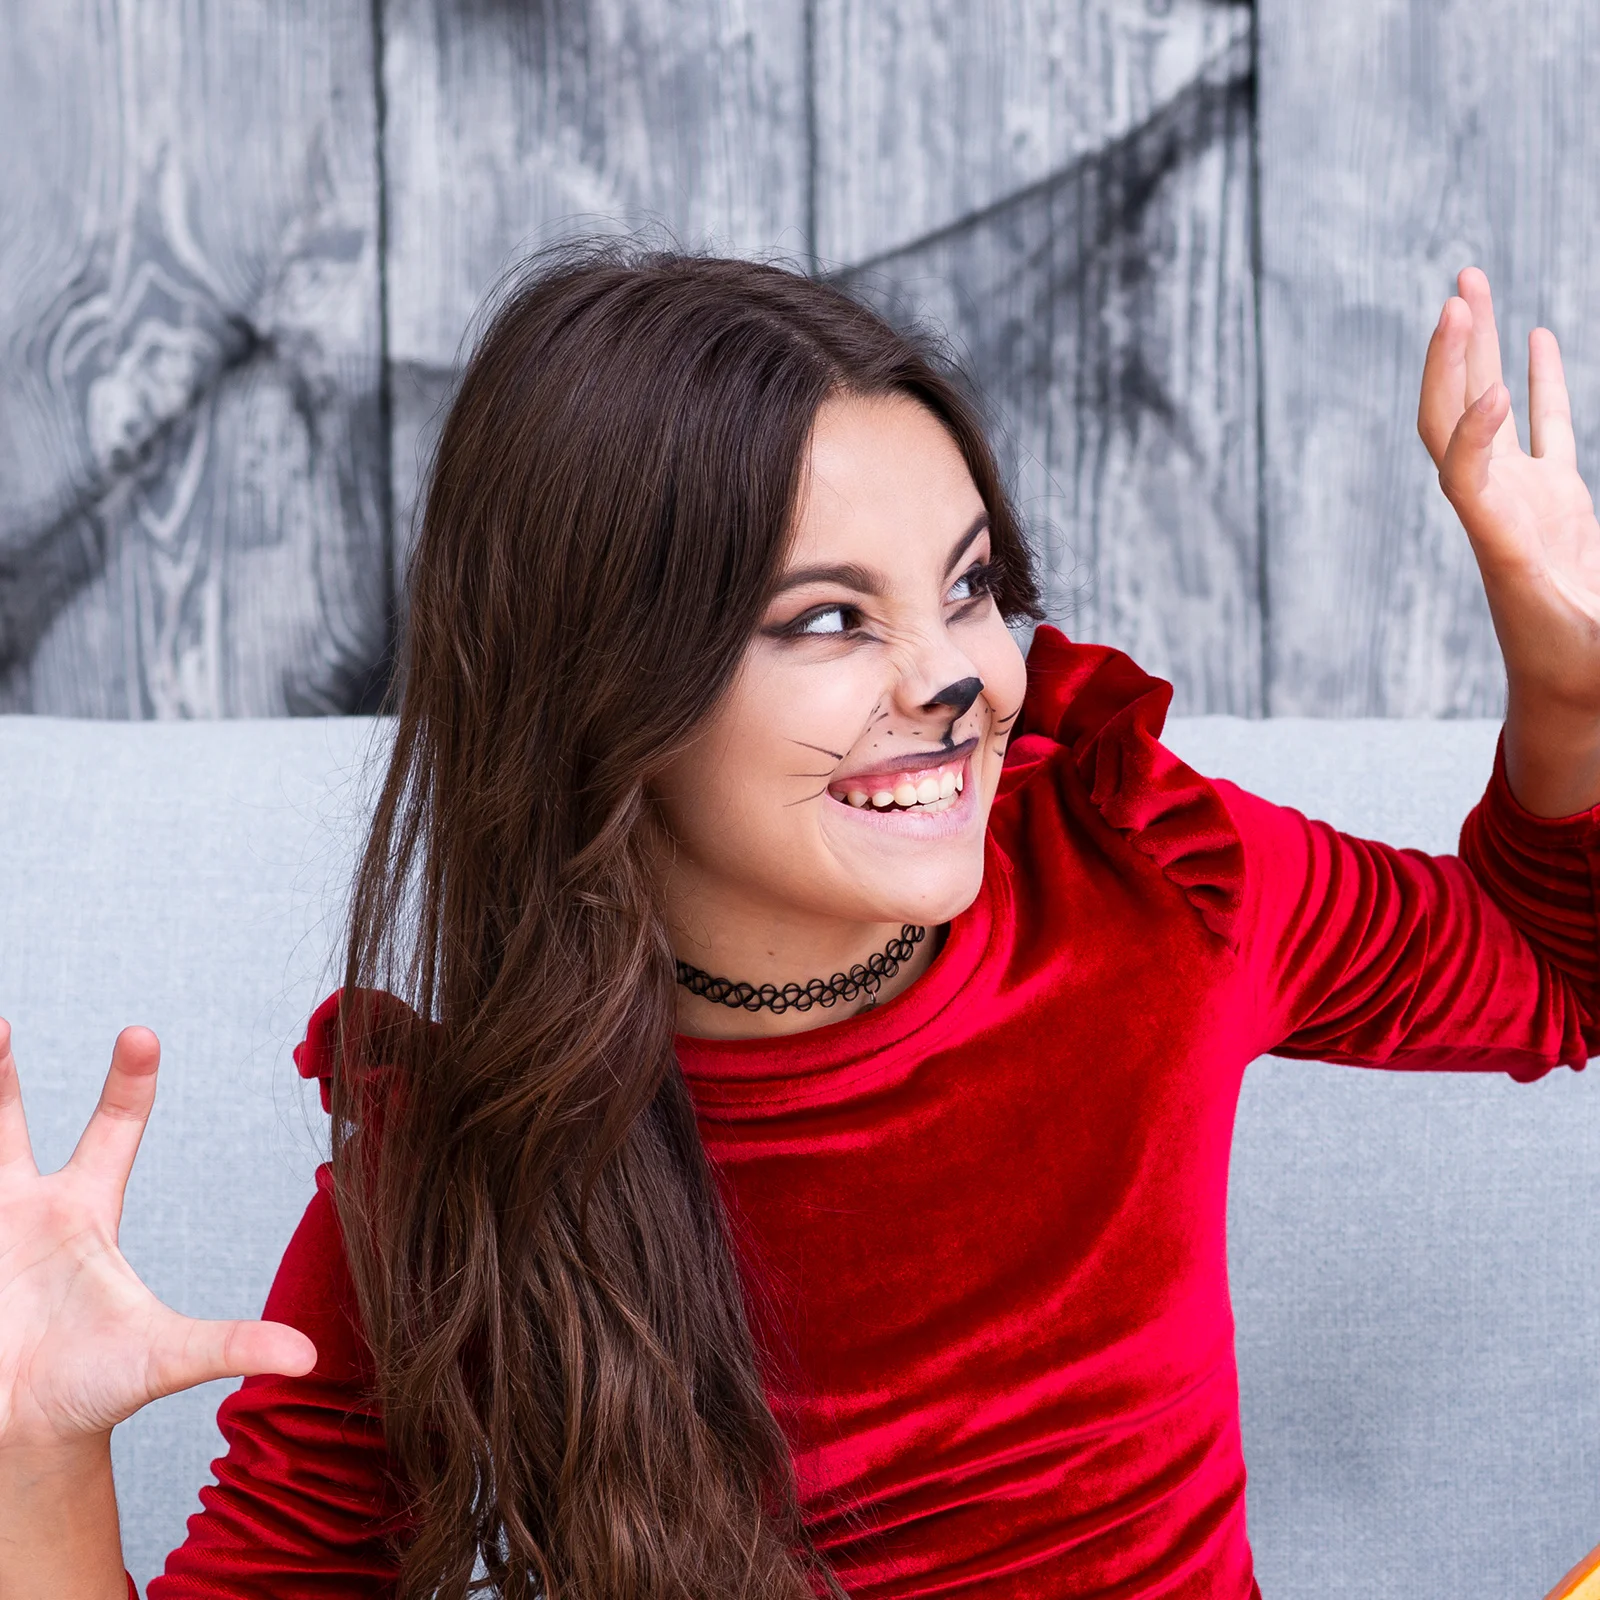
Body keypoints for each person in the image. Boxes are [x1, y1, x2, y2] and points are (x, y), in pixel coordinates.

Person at [1, 245, 1597, 1600]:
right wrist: (38, 1453)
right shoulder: (458, 1184)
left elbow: (1551, 976)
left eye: (968, 587)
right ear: (606, 697)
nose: (952, 678)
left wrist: (1569, 686)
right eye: (830, 620)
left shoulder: (1148, 881)